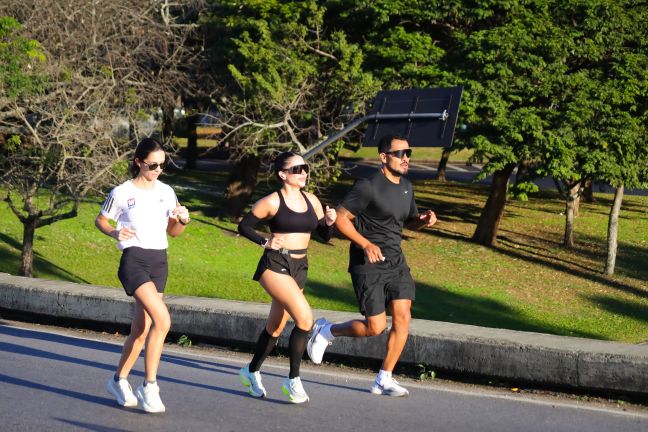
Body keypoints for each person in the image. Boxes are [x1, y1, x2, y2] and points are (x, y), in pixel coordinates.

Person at [307, 134, 437, 397]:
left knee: (403, 318)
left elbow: (408, 220)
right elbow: (342, 219)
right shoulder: (368, 185)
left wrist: (422, 220)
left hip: (396, 262)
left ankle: (384, 378)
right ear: (384, 157)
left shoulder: (406, 187)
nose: (406, 158)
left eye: (408, 153)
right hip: (367, 264)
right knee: (375, 327)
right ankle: (327, 330)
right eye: (400, 154)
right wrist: (365, 243)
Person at [95, 137, 190, 413]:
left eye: (162, 165)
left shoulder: (167, 191)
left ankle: (118, 380)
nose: (158, 170)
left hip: (159, 260)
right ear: (138, 162)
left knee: (141, 329)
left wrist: (181, 220)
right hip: (134, 259)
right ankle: (150, 385)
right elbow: (101, 219)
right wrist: (114, 231)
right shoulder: (122, 192)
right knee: (163, 319)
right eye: (152, 165)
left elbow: (173, 232)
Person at [237, 151, 336, 403]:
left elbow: (325, 236)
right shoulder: (272, 201)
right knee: (305, 319)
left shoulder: (311, 199)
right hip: (275, 263)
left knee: (276, 327)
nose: (303, 173)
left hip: (300, 266)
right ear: (282, 174)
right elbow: (244, 226)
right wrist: (265, 240)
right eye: (297, 169)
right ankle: (293, 380)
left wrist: (329, 222)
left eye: (305, 168)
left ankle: (250, 371)